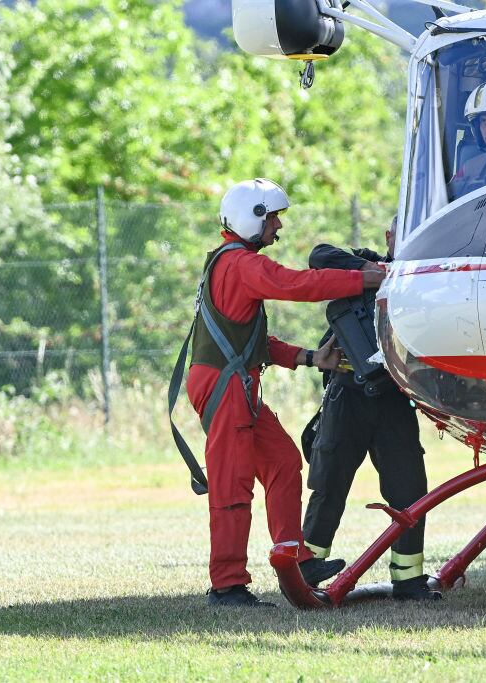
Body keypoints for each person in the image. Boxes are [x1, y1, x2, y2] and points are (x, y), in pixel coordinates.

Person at [186, 178, 386, 607]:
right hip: (226, 387)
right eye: (273, 217)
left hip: (234, 383)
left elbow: (254, 341)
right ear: (251, 218)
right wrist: (362, 279)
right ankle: (227, 586)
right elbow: (295, 285)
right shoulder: (240, 264)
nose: (278, 227)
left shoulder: (231, 262)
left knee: (281, 460)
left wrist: (312, 358)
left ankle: (295, 563)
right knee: (232, 484)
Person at [301, 216, 439, 601]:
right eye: (400, 235)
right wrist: (372, 273)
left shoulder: (424, 276)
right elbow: (320, 255)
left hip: (395, 400)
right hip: (347, 394)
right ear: (388, 238)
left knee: (408, 487)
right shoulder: (366, 262)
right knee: (329, 481)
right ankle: (307, 569)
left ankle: (409, 580)